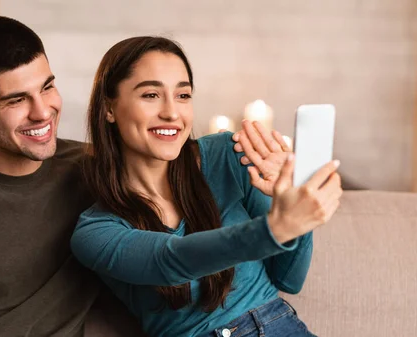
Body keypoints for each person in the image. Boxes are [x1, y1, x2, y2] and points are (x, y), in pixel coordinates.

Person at [0, 15, 295, 337]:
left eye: (47, 87)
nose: (42, 112)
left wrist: (262, 174)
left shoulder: (92, 169)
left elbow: (171, 166)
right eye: (16, 100)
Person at [70, 36, 342, 337]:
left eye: (183, 95)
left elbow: (289, 280)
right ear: (109, 108)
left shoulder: (228, 154)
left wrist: (293, 203)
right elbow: (172, 259)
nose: (172, 113)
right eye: (150, 95)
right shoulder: (95, 232)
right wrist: (275, 228)